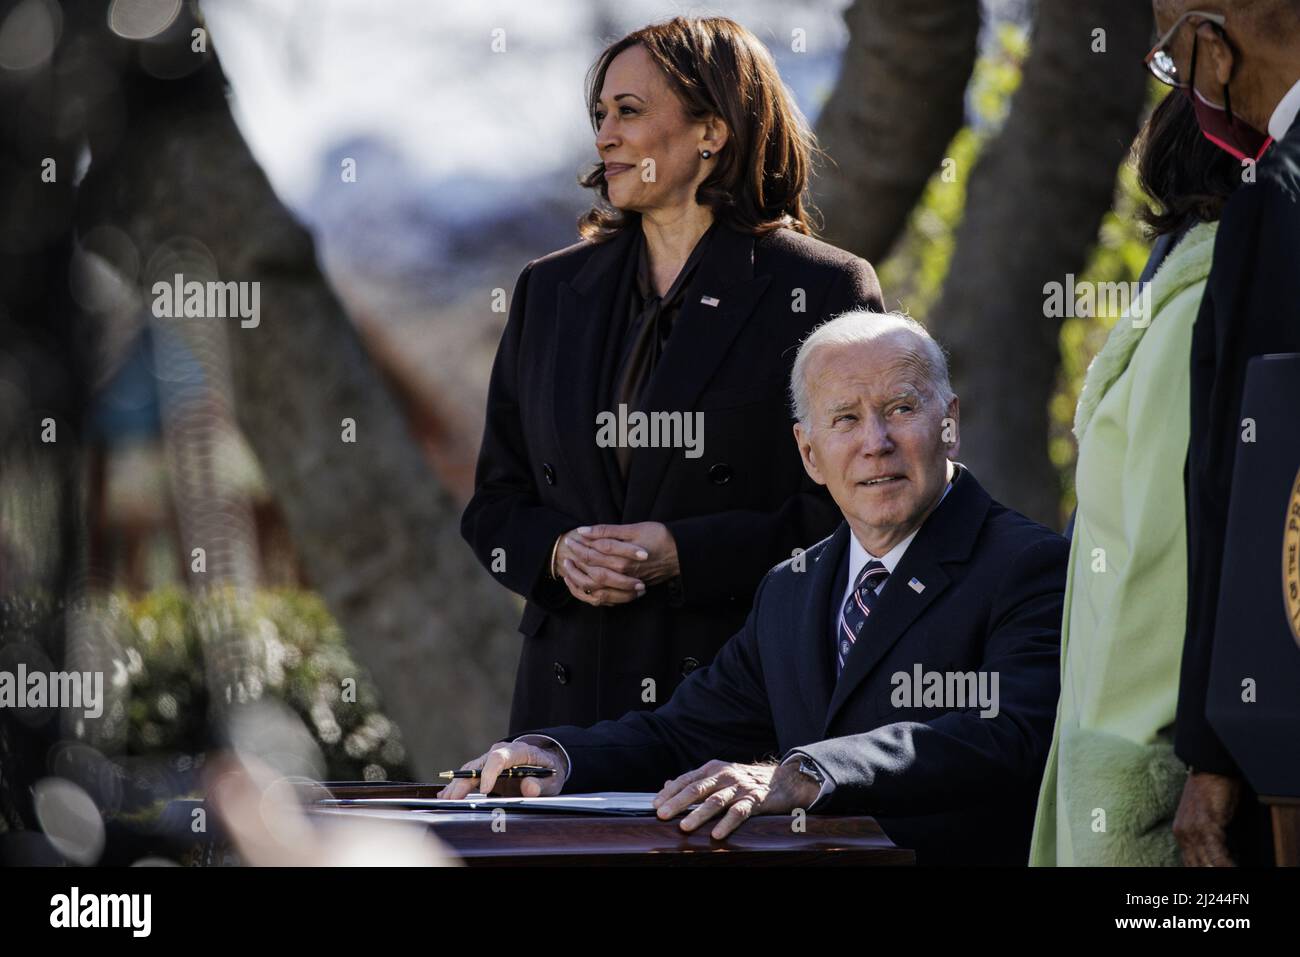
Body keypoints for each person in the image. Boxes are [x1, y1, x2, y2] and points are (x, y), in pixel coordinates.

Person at [445, 312, 1068, 866]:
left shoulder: (1029, 564)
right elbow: (681, 733)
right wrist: (554, 755)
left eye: (901, 409)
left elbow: (1009, 734)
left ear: (949, 422)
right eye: (844, 419)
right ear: (809, 454)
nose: (875, 443)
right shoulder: (793, 587)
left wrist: (808, 772)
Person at [461, 17, 883, 733]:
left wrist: (683, 554)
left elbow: (856, 516)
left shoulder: (819, 288)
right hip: (564, 706)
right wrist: (560, 554)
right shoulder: (549, 289)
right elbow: (495, 504)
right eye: (600, 115)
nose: (605, 136)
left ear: (711, 131)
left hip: (730, 708)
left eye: (629, 111)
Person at [1029, 89, 1241, 866]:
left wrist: (1132, 774)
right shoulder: (1190, 294)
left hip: (1143, 775)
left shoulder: (1194, 308)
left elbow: (1160, 555)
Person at [1149, 0, 1300, 866]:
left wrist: (1215, 750)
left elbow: (1247, 483)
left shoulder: (1274, 192)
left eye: (1171, 63)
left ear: (1211, 45)